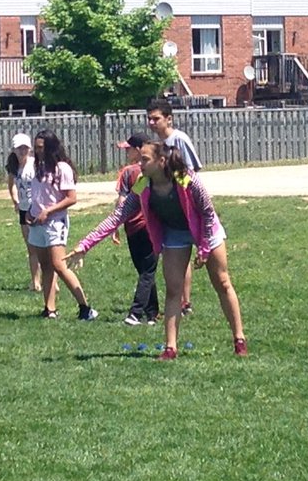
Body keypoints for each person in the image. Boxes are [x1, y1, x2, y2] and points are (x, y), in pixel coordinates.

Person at [68, 139, 247, 360]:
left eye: (145, 159)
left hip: (203, 230)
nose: (139, 163)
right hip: (174, 232)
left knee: (222, 282)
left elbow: (208, 213)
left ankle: (239, 339)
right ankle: (170, 348)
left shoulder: (184, 178)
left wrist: (205, 248)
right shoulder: (143, 184)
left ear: (161, 161)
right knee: (173, 290)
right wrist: (85, 245)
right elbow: (118, 216)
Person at [28, 129, 97, 320]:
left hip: (54, 223)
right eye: (36, 147)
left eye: (41, 147)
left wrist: (48, 211)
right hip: (37, 222)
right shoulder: (38, 167)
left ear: (50, 147)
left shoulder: (62, 168)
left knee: (59, 265)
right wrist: (31, 212)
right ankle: (49, 308)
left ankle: (85, 307)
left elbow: (71, 198)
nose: (37, 151)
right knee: (45, 265)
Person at [146, 96, 202, 316]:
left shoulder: (179, 139)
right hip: (170, 211)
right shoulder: (158, 146)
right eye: (149, 119)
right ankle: (180, 301)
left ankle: (184, 301)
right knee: (176, 256)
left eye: (156, 119)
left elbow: (191, 173)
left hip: (187, 208)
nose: (151, 123)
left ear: (168, 119)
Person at [113, 132, 160, 326]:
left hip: (134, 227)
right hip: (147, 227)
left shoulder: (128, 172)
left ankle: (137, 312)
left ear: (140, 149)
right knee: (146, 271)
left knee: (145, 270)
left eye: (129, 149)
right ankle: (151, 313)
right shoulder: (150, 171)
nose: (127, 152)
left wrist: (116, 224)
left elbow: (122, 201)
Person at [6, 133, 43, 292]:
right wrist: (15, 200)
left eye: (25, 148)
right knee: (31, 247)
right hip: (23, 209)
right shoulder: (14, 166)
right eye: (19, 148)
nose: (23, 151)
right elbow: (11, 184)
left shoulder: (35, 164)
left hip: (35, 209)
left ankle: (48, 279)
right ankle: (35, 281)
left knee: (42, 245)